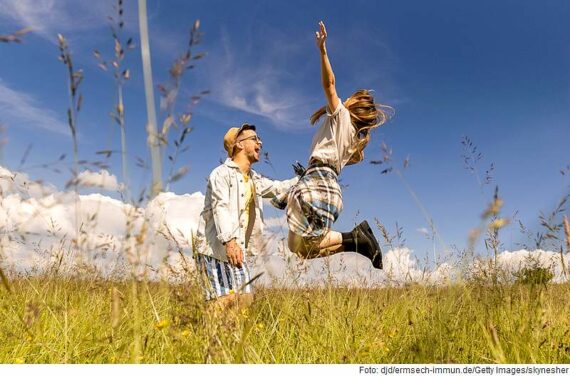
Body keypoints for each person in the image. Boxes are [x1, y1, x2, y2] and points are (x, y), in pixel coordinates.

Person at [279, 21, 392, 269]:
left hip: (318, 183)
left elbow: (329, 84)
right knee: (298, 249)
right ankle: (354, 242)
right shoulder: (353, 140)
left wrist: (322, 50)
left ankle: (355, 238)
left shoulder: (341, 116)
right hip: (329, 188)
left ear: (352, 104)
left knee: (299, 246)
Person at [194, 124, 298, 307]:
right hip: (214, 250)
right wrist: (230, 241)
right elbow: (221, 207)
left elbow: (277, 188)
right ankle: (210, 336)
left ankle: (232, 336)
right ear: (240, 144)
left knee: (244, 300)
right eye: (255, 139)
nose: (260, 142)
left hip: (236, 251)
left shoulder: (253, 179)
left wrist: (303, 179)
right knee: (220, 304)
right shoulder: (221, 174)